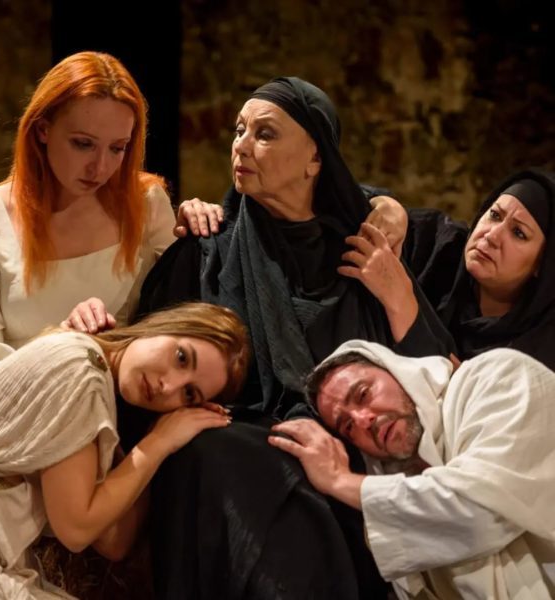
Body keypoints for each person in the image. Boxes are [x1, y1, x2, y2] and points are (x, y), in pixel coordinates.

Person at [129, 76, 455, 599]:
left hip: (360, 445)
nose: (241, 145)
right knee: (214, 454)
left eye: (265, 134)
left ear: (315, 158)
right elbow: (153, 355)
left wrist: (398, 297)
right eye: (239, 130)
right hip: (252, 438)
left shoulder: (367, 248)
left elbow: (436, 379)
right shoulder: (208, 252)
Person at [0, 51, 222, 408]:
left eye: (118, 148)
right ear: (43, 130)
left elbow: (181, 317)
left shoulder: (145, 204)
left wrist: (206, 232)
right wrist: (60, 345)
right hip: (15, 407)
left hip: (118, 406)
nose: (100, 167)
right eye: (83, 144)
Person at [0, 302, 249, 599]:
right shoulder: (84, 372)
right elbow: (76, 529)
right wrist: (159, 442)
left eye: (188, 394)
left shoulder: (95, 382)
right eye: (181, 357)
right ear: (163, 326)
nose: (168, 385)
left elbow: (114, 541)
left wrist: (153, 437)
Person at [270, 339, 555, 599]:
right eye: (347, 426)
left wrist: (338, 480)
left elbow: (481, 511)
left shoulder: (497, 376)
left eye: (363, 394)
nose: (363, 420)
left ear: (397, 371)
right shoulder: (392, 497)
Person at [341, 167, 555, 369]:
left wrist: (401, 305)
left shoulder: (537, 355)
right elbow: (346, 200)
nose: (492, 235)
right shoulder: (440, 246)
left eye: (518, 233)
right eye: (495, 215)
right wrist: (387, 205)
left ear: (543, 264)